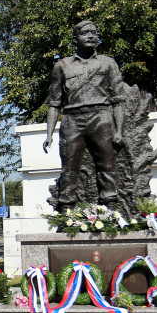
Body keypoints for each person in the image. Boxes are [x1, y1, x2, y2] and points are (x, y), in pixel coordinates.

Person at [42, 20, 126, 211]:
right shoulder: (61, 66)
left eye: (94, 33)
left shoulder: (108, 63)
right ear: (75, 39)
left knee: (107, 165)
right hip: (73, 119)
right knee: (69, 167)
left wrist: (119, 130)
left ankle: (111, 209)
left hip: (101, 117)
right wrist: (49, 135)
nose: (91, 36)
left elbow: (118, 100)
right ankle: (66, 210)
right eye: (85, 33)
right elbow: (55, 104)